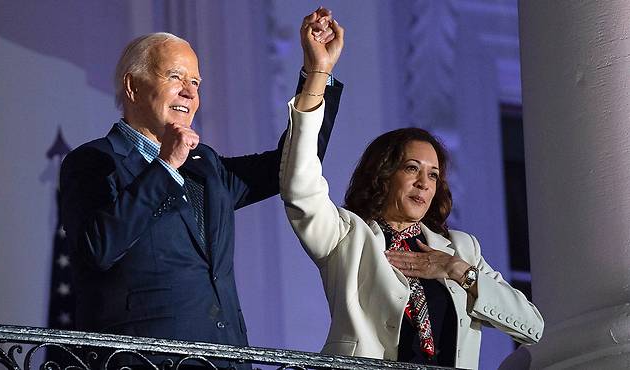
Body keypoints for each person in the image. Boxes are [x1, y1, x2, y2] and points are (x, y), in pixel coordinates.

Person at [59, 8, 343, 369]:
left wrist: (318, 74)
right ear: (132, 86)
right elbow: (97, 248)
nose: (189, 92)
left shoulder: (205, 165)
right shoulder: (95, 162)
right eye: (175, 77)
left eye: (196, 83)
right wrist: (165, 166)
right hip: (146, 362)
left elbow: (290, 165)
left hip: (226, 358)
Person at [281, 27, 543, 370]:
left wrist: (458, 271)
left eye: (433, 175)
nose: (424, 183)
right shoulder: (348, 236)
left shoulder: (462, 250)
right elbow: (300, 184)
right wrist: (318, 73)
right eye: (411, 168)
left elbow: (534, 328)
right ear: (384, 174)